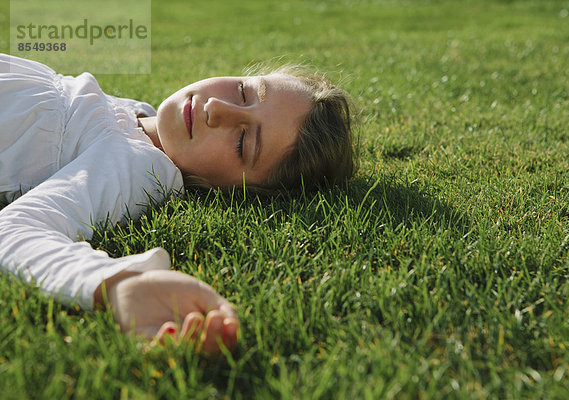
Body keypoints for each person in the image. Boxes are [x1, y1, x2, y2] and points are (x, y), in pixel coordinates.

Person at [0, 54, 354, 354]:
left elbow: (18, 230)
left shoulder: (139, 165)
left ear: (233, 191)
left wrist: (114, 283)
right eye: (243, 91)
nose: (217, 108)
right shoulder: (139, 115)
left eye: (242, 141)